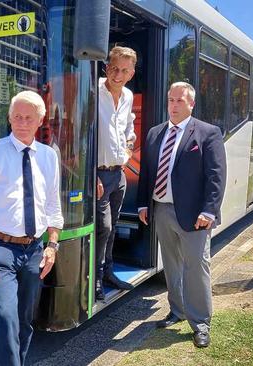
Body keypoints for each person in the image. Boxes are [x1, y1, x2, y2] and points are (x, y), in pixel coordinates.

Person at [0, 91, 64, 365]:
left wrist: (52, 246)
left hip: (35, 251)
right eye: (17, 117)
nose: (22, 122)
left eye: (28, 118)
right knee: (7, 319)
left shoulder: (48, 157)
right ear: (10, 118)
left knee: (24, 322)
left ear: (39, 122)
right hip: (1, 251)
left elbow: (52, 207)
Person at [136, 82, 226, 348]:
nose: (173, 105)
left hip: (195, 215)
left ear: (191, 104)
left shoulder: (208, 133)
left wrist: (209, 210)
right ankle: (177, 311)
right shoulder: (155, 133)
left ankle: (200, 323)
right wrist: (143, 204)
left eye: (179, 101)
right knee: (171, 265)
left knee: (196, 266)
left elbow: (216, 176)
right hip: (161, 210)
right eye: (170, 100)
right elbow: (147, 172)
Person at [95, 46, 138, 300]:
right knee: (103, 227)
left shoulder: (128, 96)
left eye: (124, 70)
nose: (118, 74)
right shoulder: (93, 89)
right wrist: (89, 173)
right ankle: (97, 279)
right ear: (106, 67)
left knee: (113, 227)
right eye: (114, 68)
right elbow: (78, 132)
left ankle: (109, 272)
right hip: (97, 175)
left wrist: (129, 146)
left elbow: (128, 126)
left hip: (118, 174)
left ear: (131, 73)